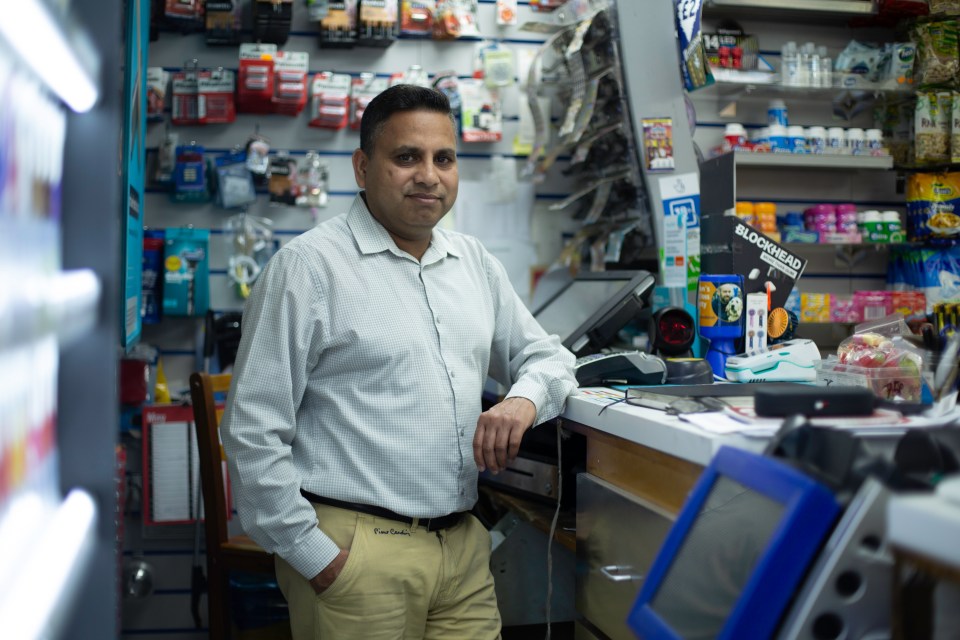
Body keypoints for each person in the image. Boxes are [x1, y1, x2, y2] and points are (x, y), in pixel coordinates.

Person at [220, 84, 578, 640]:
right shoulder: (308, 269)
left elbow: (549, 356)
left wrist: (521, 400)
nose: (429, 175)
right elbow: (251, 431)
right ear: (363, 167)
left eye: (444, 158)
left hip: (462, 551)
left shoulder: (472, 263)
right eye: (406, 157)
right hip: (355, 555)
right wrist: (316, 557)